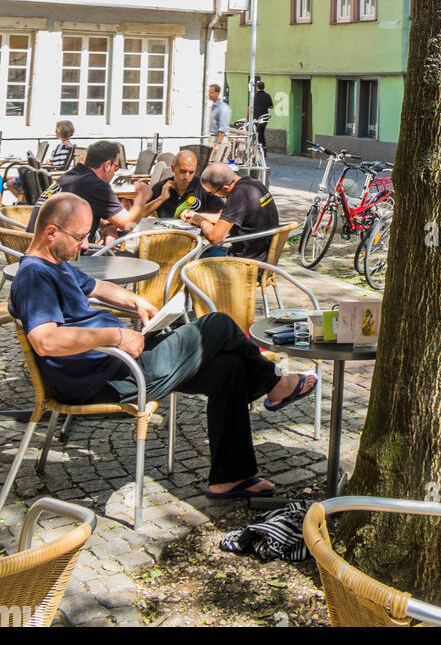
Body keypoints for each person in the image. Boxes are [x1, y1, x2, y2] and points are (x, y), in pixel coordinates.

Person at [9, 194, 317, 499]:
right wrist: (115, 337)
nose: (86, 245)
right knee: (217, 325)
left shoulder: (57, 264)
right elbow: (45, 339)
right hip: (107, 377)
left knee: (229, 368)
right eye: (79, 237)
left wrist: (135, 300)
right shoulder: (35, 275)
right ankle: (276, 384)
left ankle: (230, 478)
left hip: (117, 363)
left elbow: (97, 286)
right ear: (51, 232)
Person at [27, 141, 152, 243]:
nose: (115, 172)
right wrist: (142, 197)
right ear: (107, 165)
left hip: (31, 250)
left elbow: (99, 212)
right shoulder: (96, 186)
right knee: (129, 260)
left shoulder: (72, 175)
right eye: (116, 167)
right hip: (58, 261)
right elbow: (127, 225)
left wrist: (109, 227)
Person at [182, 162, 278, 259]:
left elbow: (214, 238)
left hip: (245, 263)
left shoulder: (238, 195)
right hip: (263, 257)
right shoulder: (255, 184)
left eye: (211, 193)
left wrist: (200, 221)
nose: (214, 196)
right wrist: (196, 215)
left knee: (191, 255)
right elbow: (224, 218)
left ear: (225, 188)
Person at [140, 150, 224, 221]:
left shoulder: (205, 188)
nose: (187, 177)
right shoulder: (161, 187)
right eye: (183, 171)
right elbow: (139, 215)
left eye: (191, 172)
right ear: (173, 168)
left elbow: (224, 217)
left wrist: (197, 216)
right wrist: (161, 199)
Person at [251, 78, 274, 155]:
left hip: (256, 118)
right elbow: (271, 106)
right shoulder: (267, 96)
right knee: (261, 133)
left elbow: (250, 107)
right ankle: (263, 149)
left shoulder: (254, 96)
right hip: (265, 118)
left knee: (257, 133)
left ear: (257, 87)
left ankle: (258, 150)